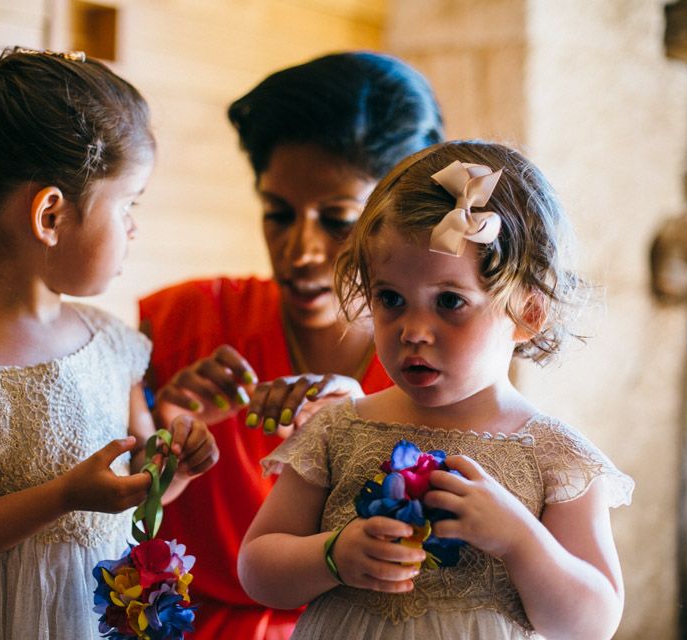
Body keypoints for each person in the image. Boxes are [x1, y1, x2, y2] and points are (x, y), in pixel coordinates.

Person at [239, 140, 635, 640]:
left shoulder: (557, 458)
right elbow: (257, 568)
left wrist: (520, 540)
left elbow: (592, 623)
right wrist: (332, 555)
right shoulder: (339, 428)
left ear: (528, 314)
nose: (413, 330)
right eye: (391, 298)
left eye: (449, 301)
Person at [139, 51, 444, 639]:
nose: (299, 251)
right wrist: (162, 438)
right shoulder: (178, 325)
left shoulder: (440, 370)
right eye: (278, 214)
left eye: (337, 221)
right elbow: (93, 533)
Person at [0, 47, 218, 639]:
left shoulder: (114, 345)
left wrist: (172, 467)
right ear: (50, 215)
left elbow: (140, 475)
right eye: (129, 205)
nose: (135, 228)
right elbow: (79, 495)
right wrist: (64, 495)